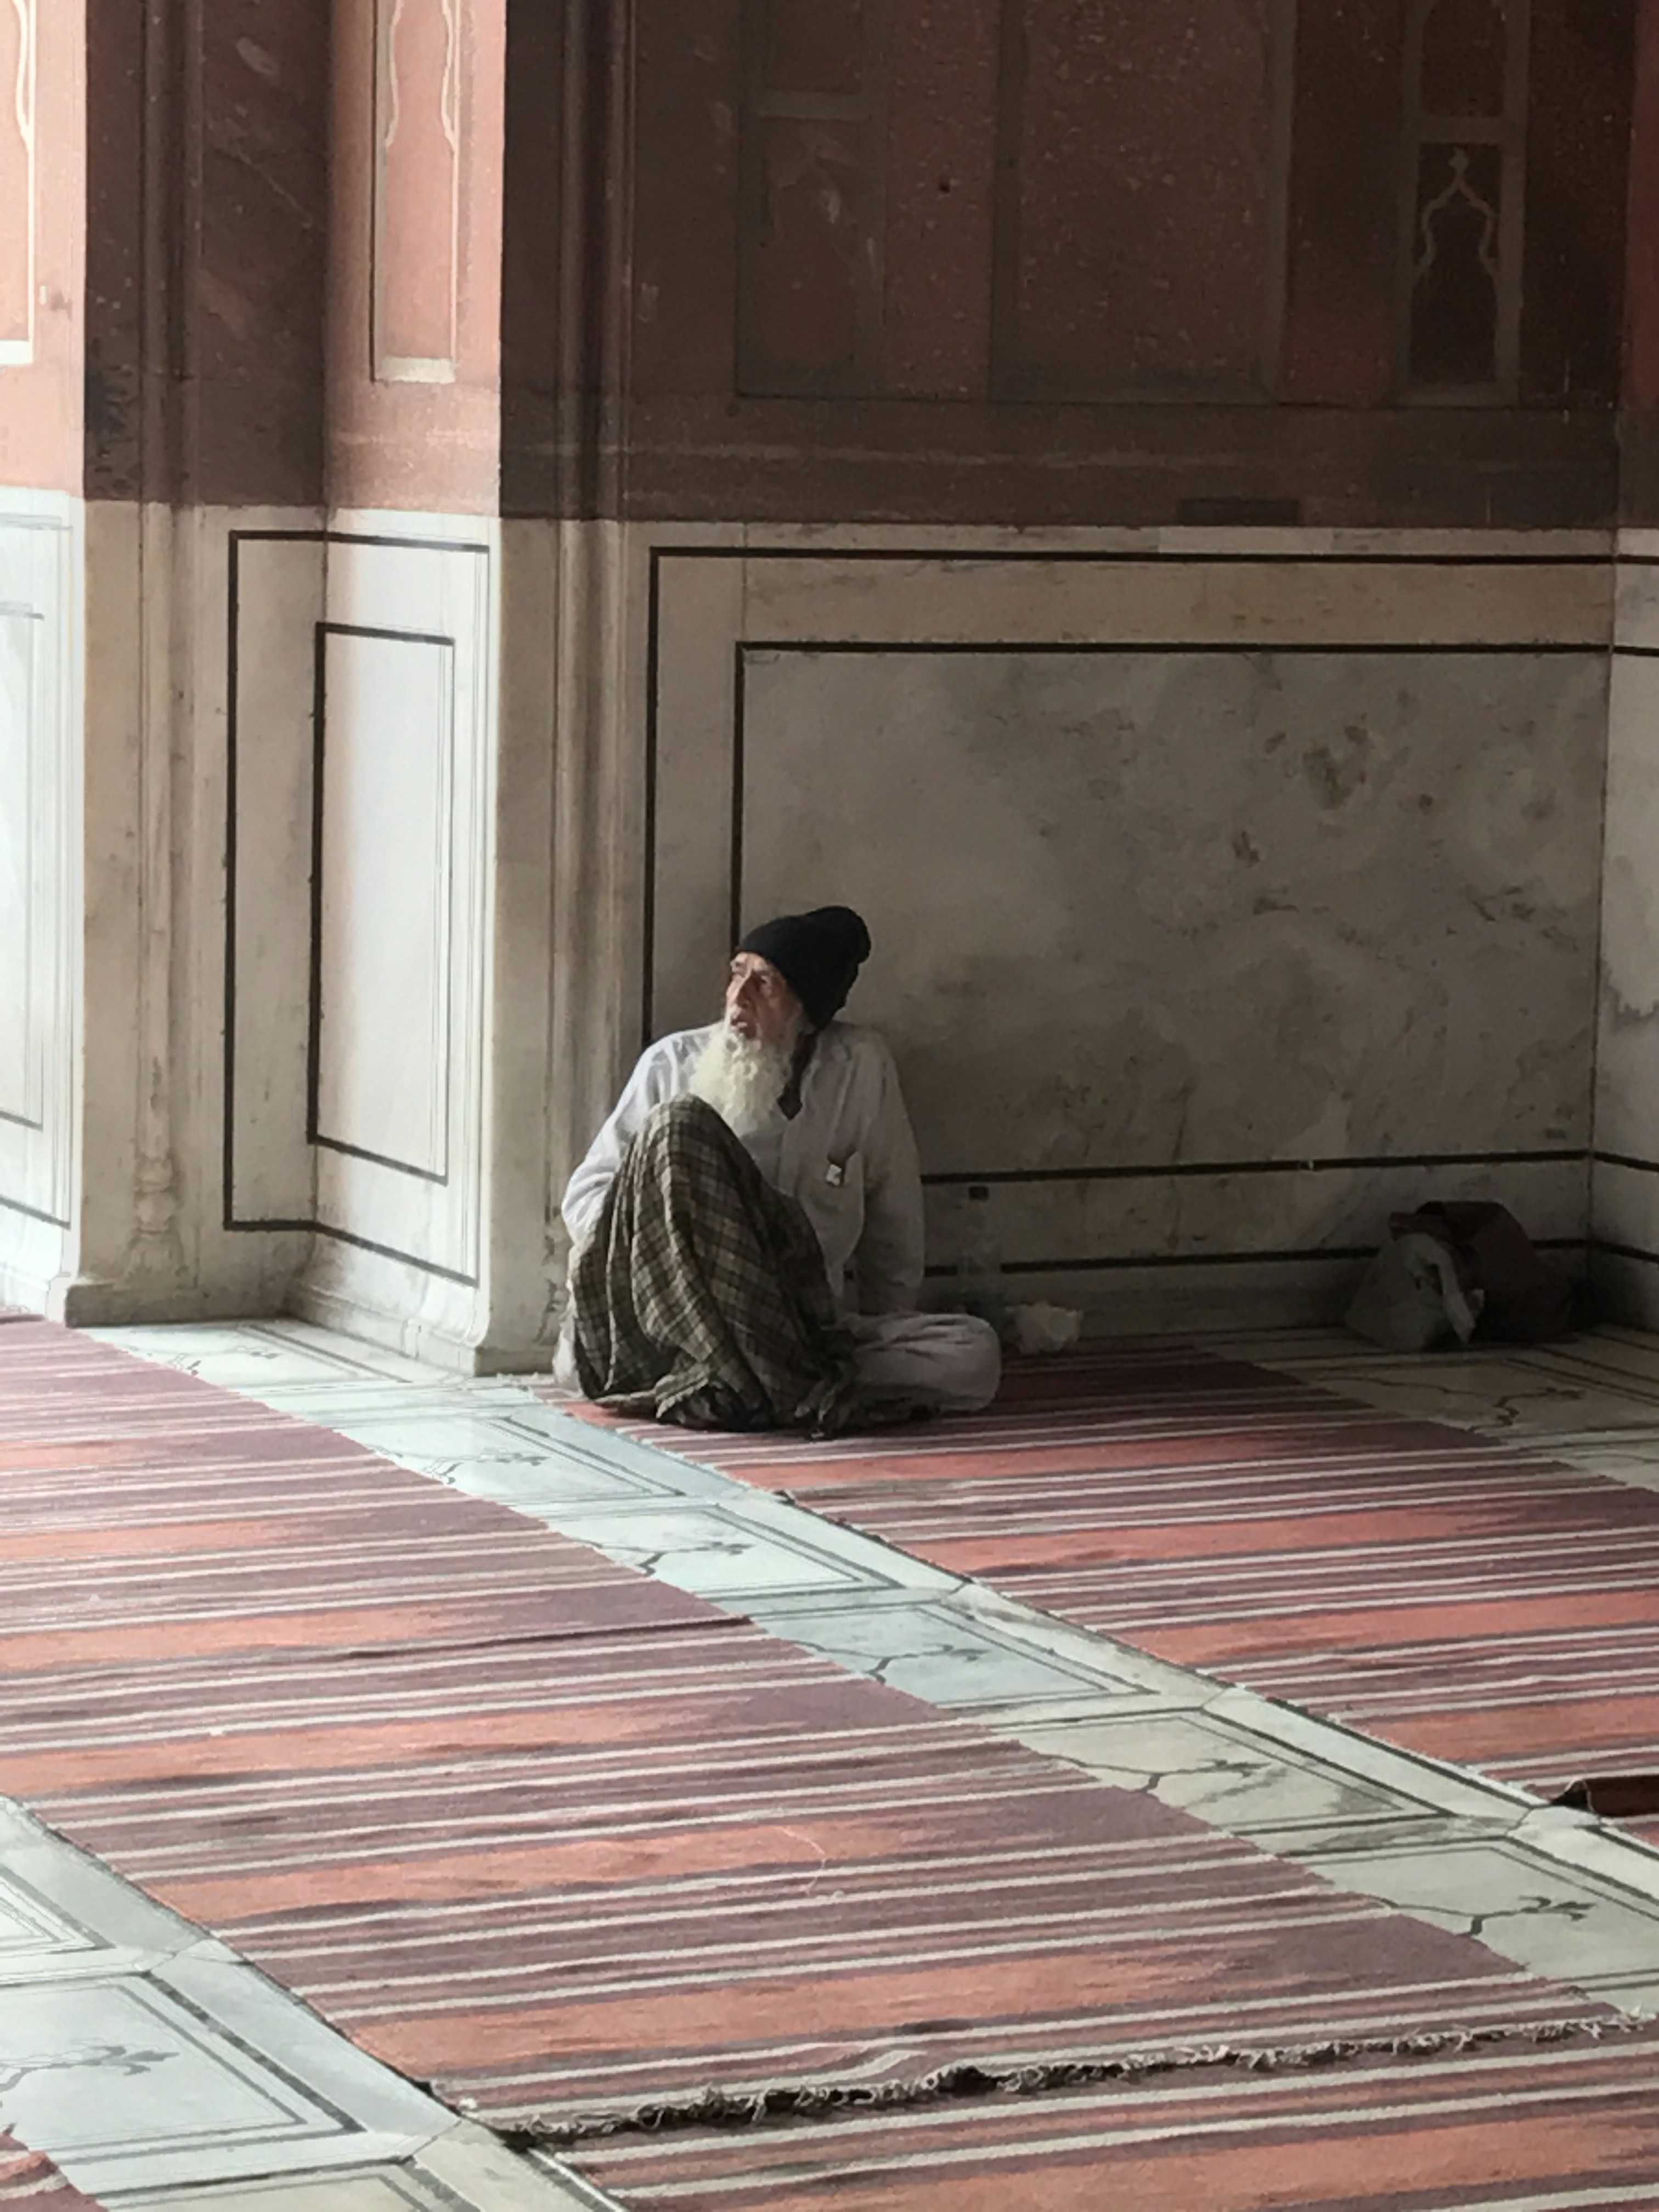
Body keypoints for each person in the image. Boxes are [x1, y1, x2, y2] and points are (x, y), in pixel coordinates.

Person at [557, 905, 1001, 1432]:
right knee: (681, 1128)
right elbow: (586, 1197)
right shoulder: (672, 1065)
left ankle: (753, 1382)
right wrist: (667, 1242)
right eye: (736, 974)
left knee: (974, 1356)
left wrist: (887, 1318)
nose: (737, 999)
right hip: (675, 1327)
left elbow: (894, 1216)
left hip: (801, 1325)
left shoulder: (860, 1067)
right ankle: (757, 1380)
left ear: (807, 1013)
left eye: (764, 983)